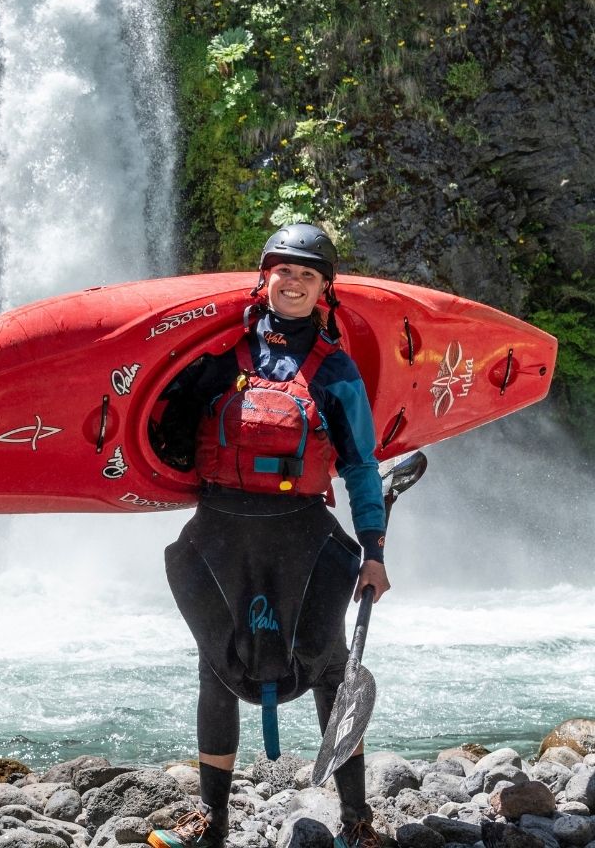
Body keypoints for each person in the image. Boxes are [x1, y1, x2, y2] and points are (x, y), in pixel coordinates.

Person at [146, 223, 389, 848]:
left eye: (309, 275)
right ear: (265, 277)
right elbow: (161, 424)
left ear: (324, 290)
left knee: (331, 666)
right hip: (222, 527)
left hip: (301, 532)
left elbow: (361, 465)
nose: (295, 282)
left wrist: (374, 552)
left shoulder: (335, 372)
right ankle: (212, 820)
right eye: (285, 271)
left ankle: (357, 819)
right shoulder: (217, 356)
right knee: (215, 664)